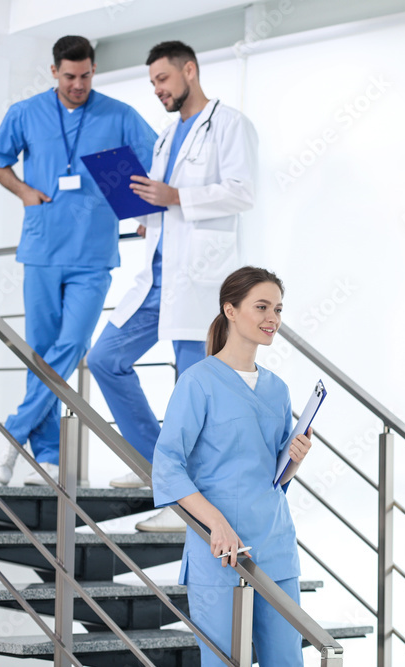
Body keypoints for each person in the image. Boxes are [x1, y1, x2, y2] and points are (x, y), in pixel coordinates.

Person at [86, 40, 258, 532]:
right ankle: (155, 466)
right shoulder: (166, 135)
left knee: (191, 392)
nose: (158, 90)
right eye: (153, 84)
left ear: (189, 70)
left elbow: (243, 193)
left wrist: (176, 197)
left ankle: (186, 507)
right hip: (157, 276)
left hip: (199, 279)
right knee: (105, 359)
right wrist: (149, 212)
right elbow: (165, 204)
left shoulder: (229, 124)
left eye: (162, 80)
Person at [0, 36, 157, 486]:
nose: (78, 84)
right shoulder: (25, 113)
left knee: (74, 346)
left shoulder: (119, 115)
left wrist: (144, 211)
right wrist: (24, 192)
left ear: (94, 70)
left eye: (85, 76)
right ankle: (46, 458)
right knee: (41, 352)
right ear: (54, 72)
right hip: (42, 248)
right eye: (69, 76)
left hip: (93, 253)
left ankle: (13, 433)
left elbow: (157, 159)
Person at [152, 266, 310, 667]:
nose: (272, 318)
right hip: (218, 549)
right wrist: (214, 522)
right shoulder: (198, 381)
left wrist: (294, 459)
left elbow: (273, 476)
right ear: (231, 310)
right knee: (223, 661)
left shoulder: (277, 388)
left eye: (277, 308)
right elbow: (168, 464)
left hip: (274, 543)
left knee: (287, 661)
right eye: (261, 307)